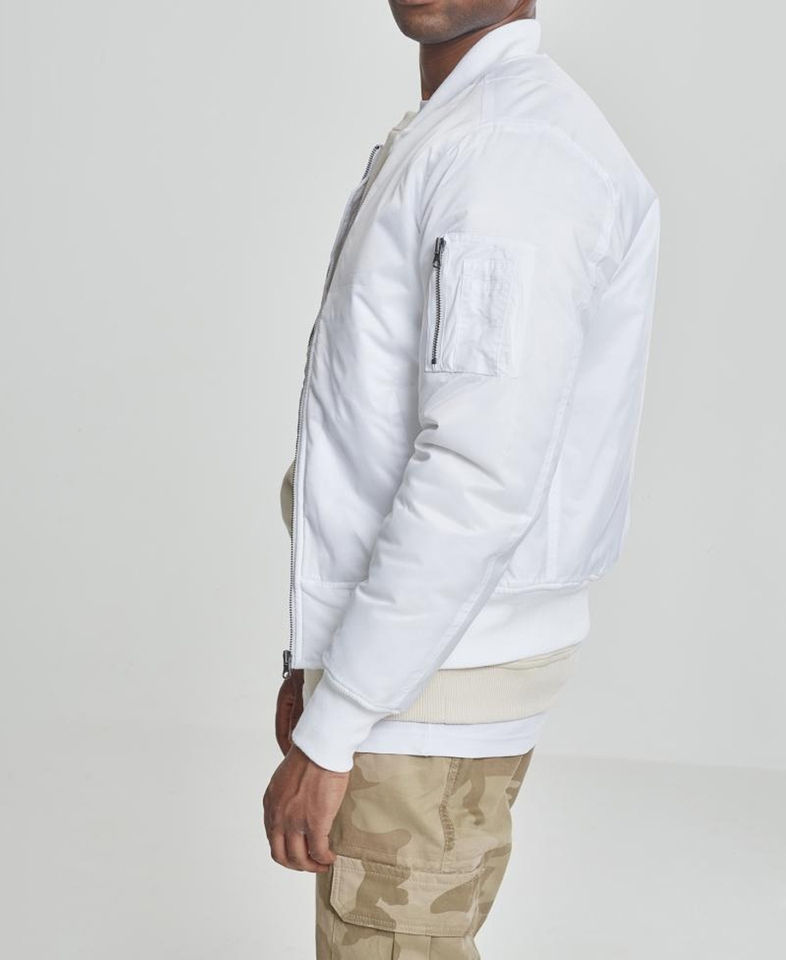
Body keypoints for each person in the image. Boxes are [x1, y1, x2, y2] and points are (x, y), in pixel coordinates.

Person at [263, 2, 660, 955]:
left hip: (426, 690)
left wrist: (340, 717)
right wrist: (319, 666)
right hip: (411, 672)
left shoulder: (510, 155)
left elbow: (477, 475)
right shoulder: (471, 129)